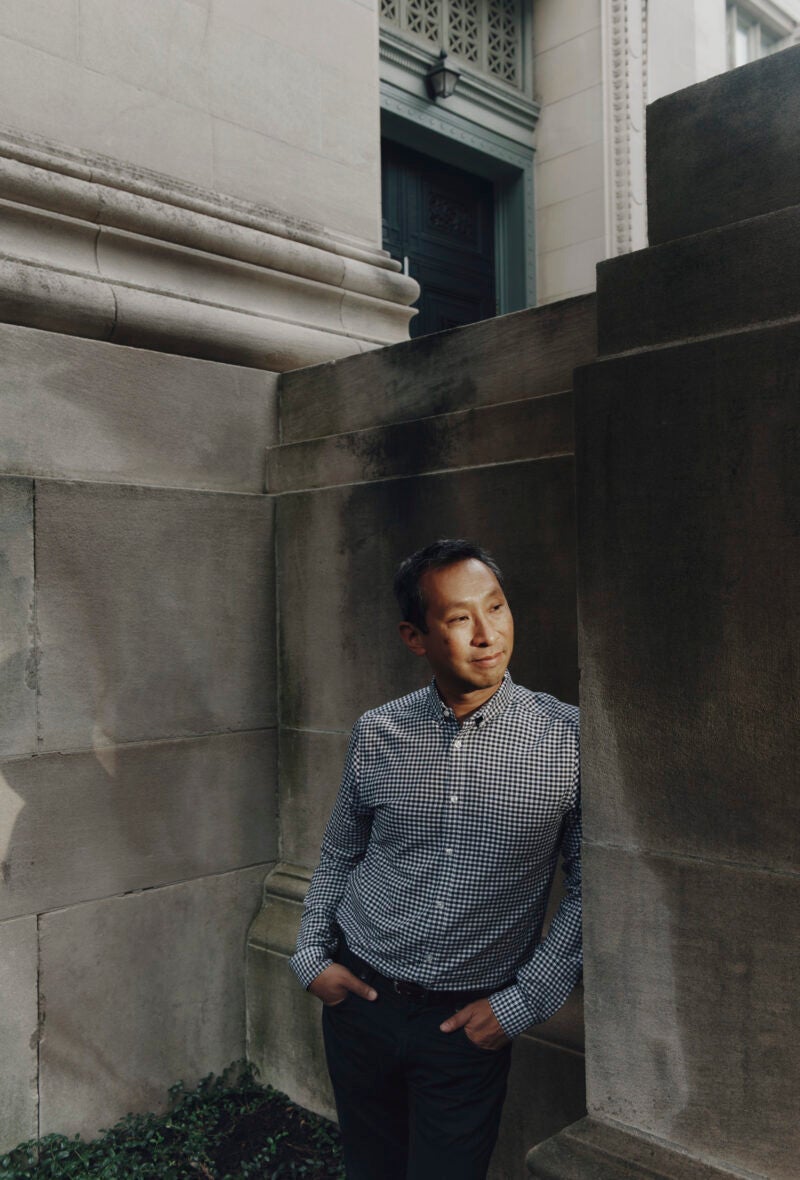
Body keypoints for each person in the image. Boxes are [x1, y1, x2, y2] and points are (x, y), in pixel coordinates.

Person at [290, 539, 582, 1180]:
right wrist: (312, 955)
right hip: (360, 1001)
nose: (487, 634)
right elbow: (342, 849)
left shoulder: (570, 741)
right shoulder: (379, 730)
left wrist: (522, 1003)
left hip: (465, 1027)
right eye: (458, 618)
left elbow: (592, 890)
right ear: (415, 636)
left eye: (497, 608)